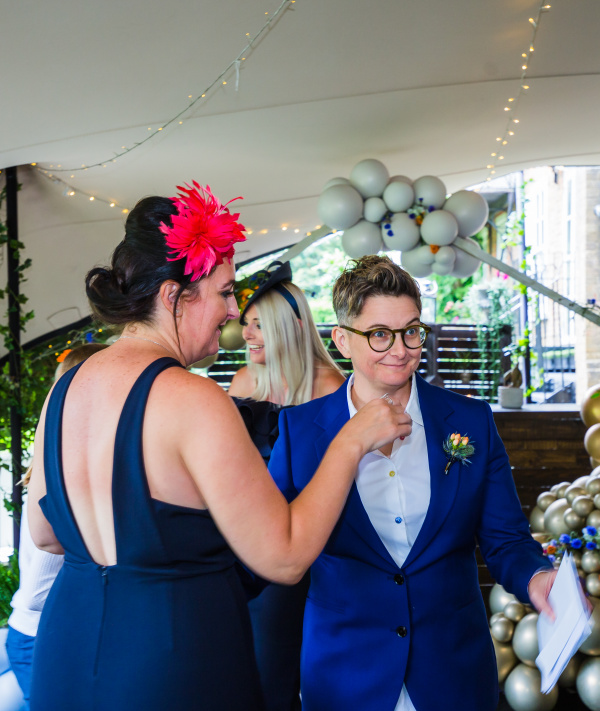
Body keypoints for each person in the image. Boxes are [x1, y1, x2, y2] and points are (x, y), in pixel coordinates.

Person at [25, 183, 409, 711]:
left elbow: (45, 534)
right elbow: (284, 558)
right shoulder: (193, 398)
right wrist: (352, 440)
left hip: (65, 653)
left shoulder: (65, 389)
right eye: (225, 292)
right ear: (174, 297)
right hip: (170, 662)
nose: (232, 311)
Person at [268, 254, 557, 711]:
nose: (401, 349)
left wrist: (537, 577)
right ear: (342, 340)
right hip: (344, 677)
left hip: (453, 674)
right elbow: (274, 547)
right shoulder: (299, 432)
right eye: (380, 334)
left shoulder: (471, 421)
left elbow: (506, 540)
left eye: (411, 331)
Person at [228, 260, 345, 711]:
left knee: (292, 673)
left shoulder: (332, 388)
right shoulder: (243, 381)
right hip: (248, 543)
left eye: (259, 324)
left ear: (293, 326)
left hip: (312, 546)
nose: (247, 334)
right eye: (246, 323)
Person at [5, 343, 107, 710]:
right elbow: (38, 593)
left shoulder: (62, 454)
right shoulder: (65, 467)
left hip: (39, 632)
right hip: (38, 635)